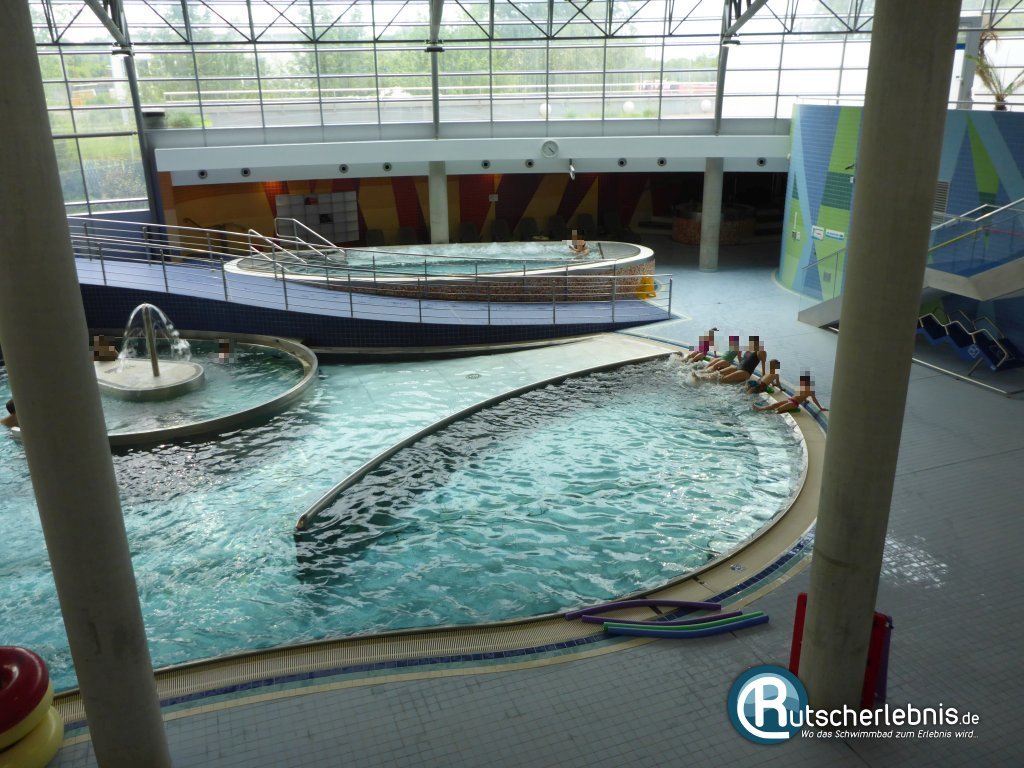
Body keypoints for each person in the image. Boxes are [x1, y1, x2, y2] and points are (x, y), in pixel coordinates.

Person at [694, 335, 766, 384]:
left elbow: (763, 366)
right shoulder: (748, 349)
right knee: (718, 373)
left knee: (723, 380)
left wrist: (762, 378)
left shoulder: (761, 351)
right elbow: (743, 360)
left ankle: (701, 380)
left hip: (745, 372)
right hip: (737, 367)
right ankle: (700, 376)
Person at [755, 372, 829, 414]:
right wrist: (805, 400)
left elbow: (814, 399)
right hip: (790, 400)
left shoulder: (811, 391)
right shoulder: (801, 387)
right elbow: (802, 396)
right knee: (775, 405)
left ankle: (766, 416)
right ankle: (760, 409)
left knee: (779, 409)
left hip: (794, 404)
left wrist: (820, 408)